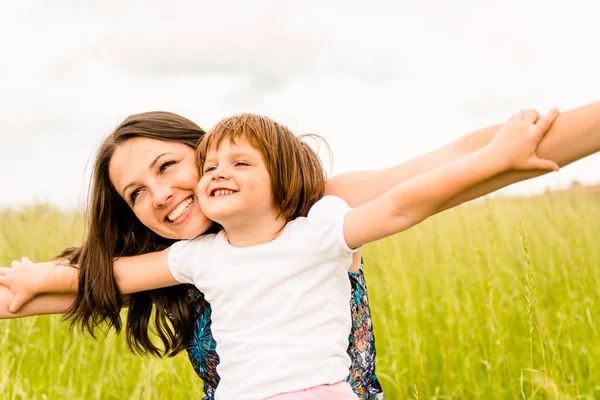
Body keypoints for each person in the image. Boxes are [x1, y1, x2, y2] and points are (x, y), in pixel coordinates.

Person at [2, 101, 600, 398]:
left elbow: (447, 166)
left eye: (168, 166)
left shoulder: (313, 213)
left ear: (209, 153)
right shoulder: (186, 262)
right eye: (135, 192)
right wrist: (33, 278)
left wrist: (510, 149)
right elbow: (52, 291)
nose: (159, 195)